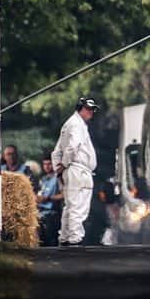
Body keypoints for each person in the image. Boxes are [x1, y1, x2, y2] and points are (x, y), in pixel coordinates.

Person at [51, 96, 100, 246]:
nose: (91, 112)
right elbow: (73, 146)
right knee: (78, 207)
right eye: (89, 109)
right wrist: (64, 165)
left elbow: (56, 151)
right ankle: (74, 240)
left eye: (92, 109)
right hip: (78, 170)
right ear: (81, 108)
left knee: (70, 206)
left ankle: (65, 237)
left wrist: (58, 169)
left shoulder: (70, 124)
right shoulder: (76, 124)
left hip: (72, 170)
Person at [37, 157, 64, 246]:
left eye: (49, 164)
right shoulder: (43, 179)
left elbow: (64, 195)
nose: (47, 166)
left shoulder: (58, 178)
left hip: (53, 214)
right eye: (45, 164)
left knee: (51, 241)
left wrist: (48, 198)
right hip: (40, 213)